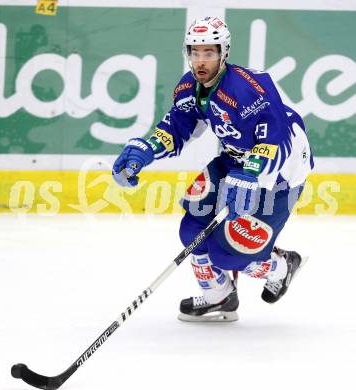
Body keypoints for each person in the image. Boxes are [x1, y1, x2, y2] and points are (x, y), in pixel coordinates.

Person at [112, 17, 314, 322]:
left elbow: (276, 137)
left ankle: (283, 266)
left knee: (229, 251)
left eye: (209, 52)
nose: (201, 60)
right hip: (233, 161)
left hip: (281, 172)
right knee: (192, 229)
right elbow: (177, 128)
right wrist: (146, 149)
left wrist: (252, 175)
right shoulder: (188, 87)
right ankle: (219, 296)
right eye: (195, 52)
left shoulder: (248, 89)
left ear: (224, 52)